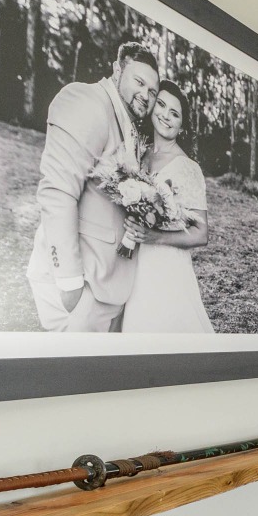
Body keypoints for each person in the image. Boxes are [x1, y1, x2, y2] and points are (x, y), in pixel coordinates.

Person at [26, 41, 159, 332]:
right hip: (82, 289)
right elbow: (58, 191)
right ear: (117, 70)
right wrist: (69, 283)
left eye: (152, 91)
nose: (145, 95)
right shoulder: (87, 101)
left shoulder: (127, 122)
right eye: (139, 82)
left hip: (108, 287)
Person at [121, 80, 214, 333]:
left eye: (174, 113)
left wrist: (156, 236)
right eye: (161, 105)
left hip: (167, 267)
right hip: (135, 264)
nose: (165, 115)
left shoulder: (187, 168)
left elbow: (201, 234)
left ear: (182, 125)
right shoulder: (140, 154)